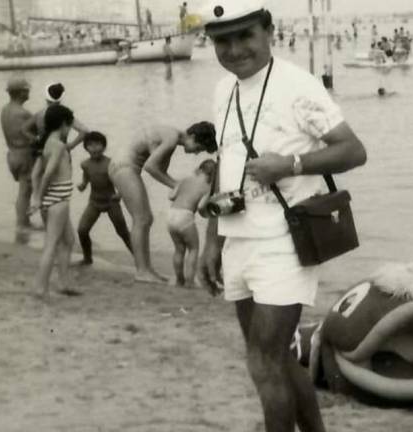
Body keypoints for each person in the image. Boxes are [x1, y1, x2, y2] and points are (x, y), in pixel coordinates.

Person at [202, 1, 367, 430]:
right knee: (277, 358)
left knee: (263, 360)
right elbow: (226, 164)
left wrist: (290, 165)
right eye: (223, 41)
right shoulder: (225, 90)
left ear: (269, 31)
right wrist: (212, 239)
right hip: (238, 238)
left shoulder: (299, 85)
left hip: (285, 241)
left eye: (245, 36)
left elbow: (353, 150)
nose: (236, 49)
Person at [108, 122, 217, 283]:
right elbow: (151, 167)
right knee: (142, 219)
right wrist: (177, 185)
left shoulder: (169, 136)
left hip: (124, 168)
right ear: (193, 137)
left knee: (145, 219)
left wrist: (179, 186)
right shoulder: (171, 138)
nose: (195, 153)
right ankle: (142, 271)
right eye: (199, 148)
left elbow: (157, 168)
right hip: (125, 167)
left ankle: (146, 269)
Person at [29, 105, 78, 298]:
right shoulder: (58, 145)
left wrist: (36, 197)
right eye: (70, 126)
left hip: (53, 198)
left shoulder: (46, 142)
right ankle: (40, 287)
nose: (70, 130)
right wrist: (38, 199)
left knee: (68, 240)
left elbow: (35, 174)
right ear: (64, 124)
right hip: (58, 199)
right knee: (52, 244)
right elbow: (48, 173)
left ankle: (65, 283)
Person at [76, 131, 132, 266]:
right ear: (85, 148)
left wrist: (120, 194)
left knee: (123, 232)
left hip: (111, 201)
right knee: (82, 230)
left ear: (104, 147)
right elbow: (87, 177)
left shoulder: (111, 163)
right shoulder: (85, 164)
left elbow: (121, 181)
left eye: (98, 145)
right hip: (94, 202)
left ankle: (141, 260)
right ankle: (87, 258)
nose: (94, 148)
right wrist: (83, 185)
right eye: (90, 145)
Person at [167, 159, 216, 287]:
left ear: (199, 169)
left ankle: (179, 280)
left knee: (179, 249)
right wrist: (206, 213)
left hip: (171, 214)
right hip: (185, 216)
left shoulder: (185, 180)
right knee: (193, 248)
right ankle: (189, 281)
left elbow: (171, 196)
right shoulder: (207, 187)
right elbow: (200, 207)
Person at [0, 76, 36, 233]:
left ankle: (24, 222)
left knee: (23, 190)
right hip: (24, 155)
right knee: (25, 191)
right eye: (26, 90)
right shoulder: (24, 113)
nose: (28, 92)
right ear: (21, 93)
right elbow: (35, 135)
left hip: (12, 154)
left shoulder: (5, 110)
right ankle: (22, 224)